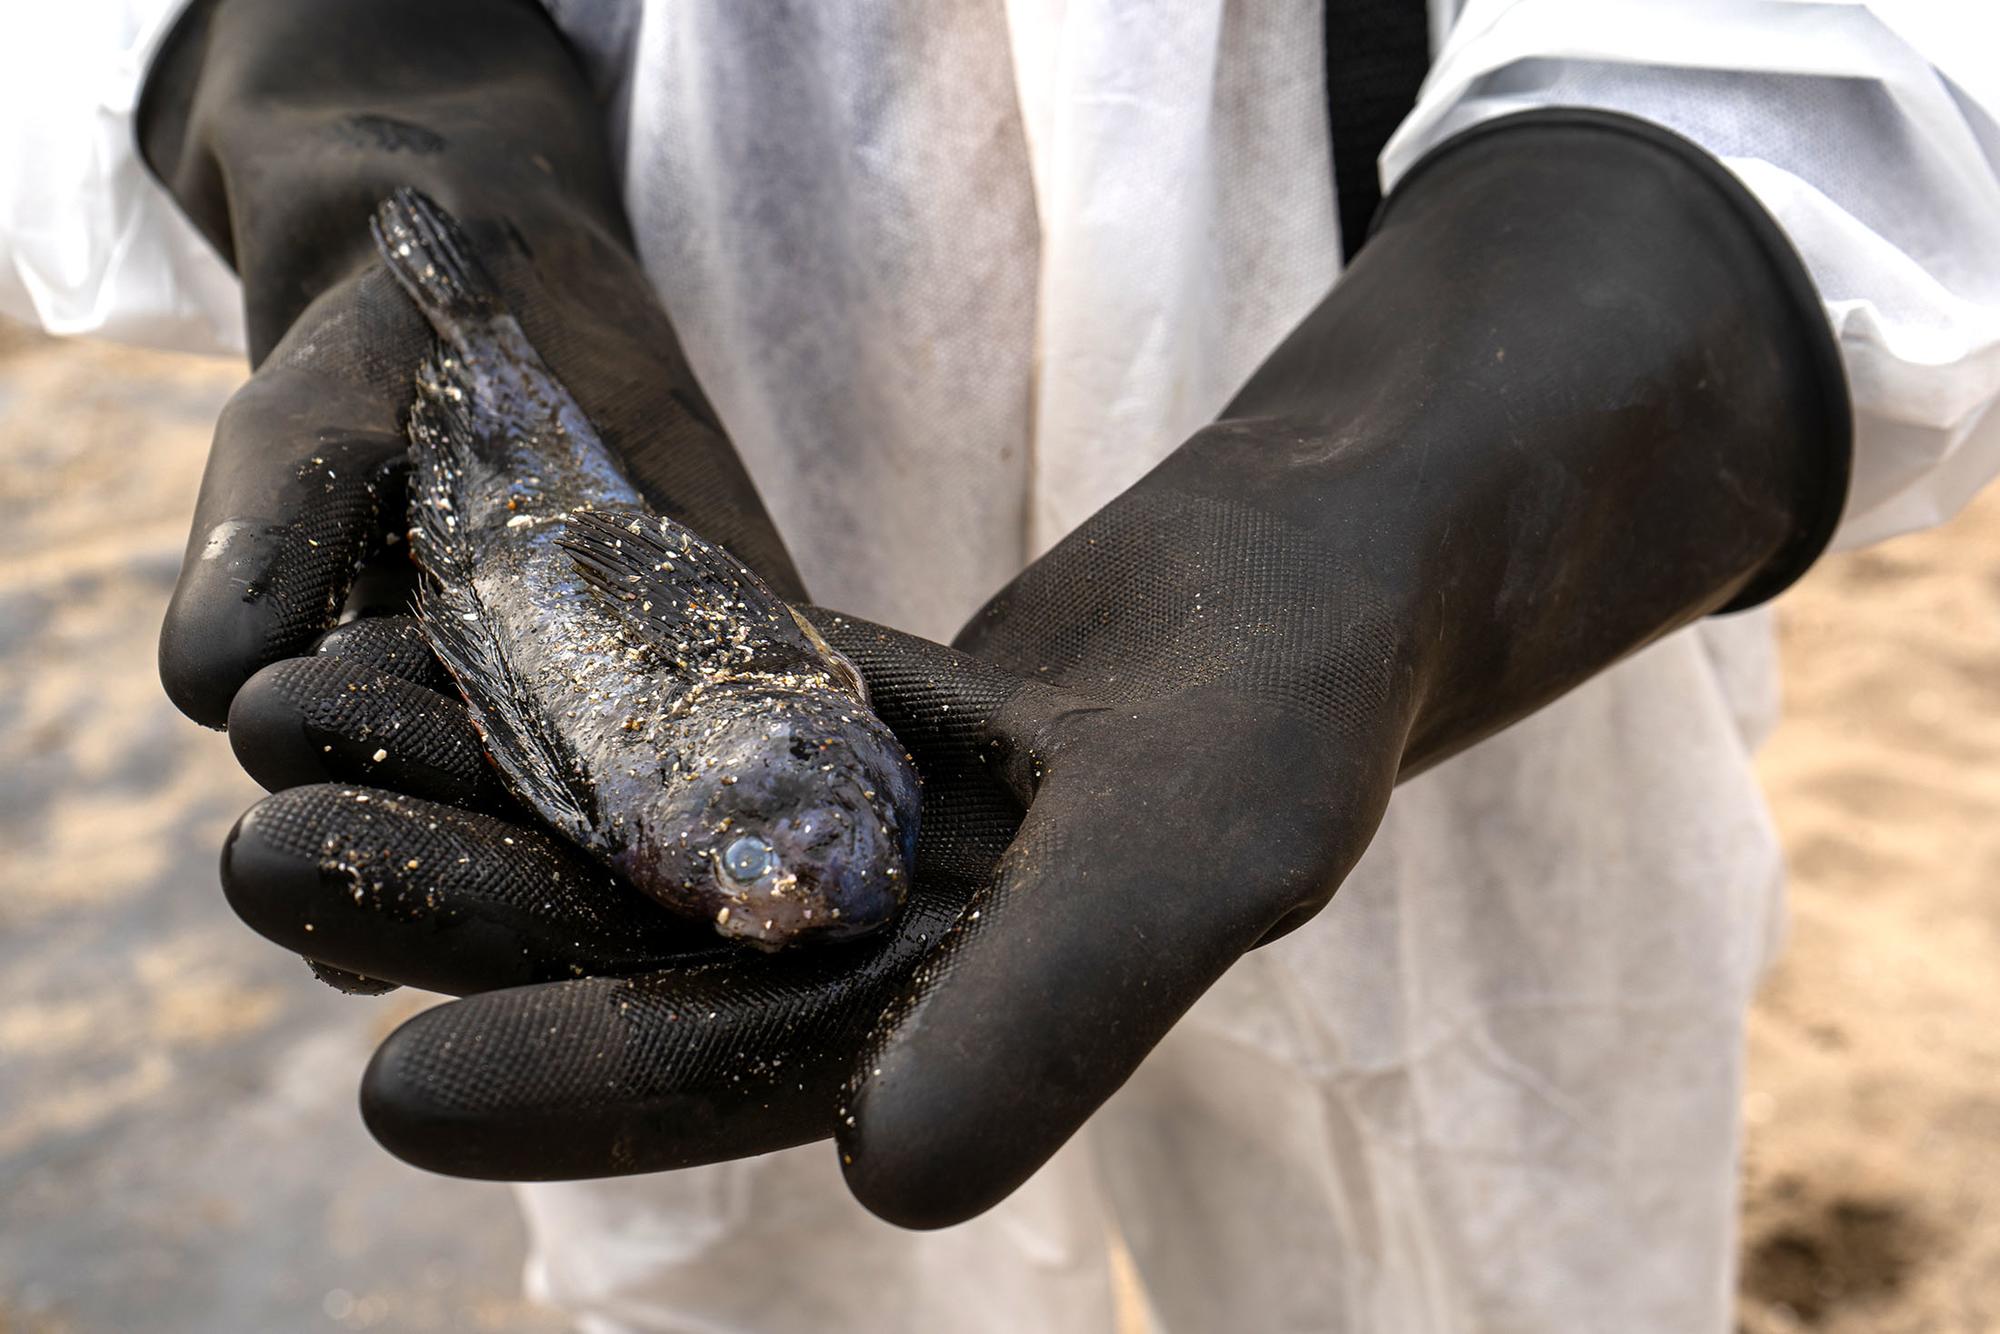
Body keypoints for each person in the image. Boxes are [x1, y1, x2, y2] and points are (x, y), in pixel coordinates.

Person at [8, 1, 2000, 1330]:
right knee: (775, 1264)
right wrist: (335, 49)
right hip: (693, 357)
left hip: (1463, 476)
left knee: (1472, 1222)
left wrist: (1506, 417)